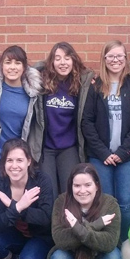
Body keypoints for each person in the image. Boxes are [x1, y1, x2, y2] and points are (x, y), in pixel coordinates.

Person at [82, 40, 130, 243]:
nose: (115, 60)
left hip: (129, 157)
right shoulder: (95, 87)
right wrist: (104, 153)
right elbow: (87, 122)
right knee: (104, 204)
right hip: (100, 157)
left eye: (119, 56)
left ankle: (126, 246)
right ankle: (108, 247)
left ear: (125, 59)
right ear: (104, 59)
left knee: (125, 205)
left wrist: (122, 153)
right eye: (110, 56)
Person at [46, 163, 122, 259]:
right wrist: (96, 225)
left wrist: (78, 228)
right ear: (71, 186)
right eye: (77, 186)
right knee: (58, 257)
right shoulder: (61, 202)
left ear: (97, 185)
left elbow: (110, 242)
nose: (82, 191)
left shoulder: (110, 204)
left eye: (88, 185)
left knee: (114, 255)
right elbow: (60, 240)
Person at [37, 42, 94, 199]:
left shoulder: (82, 84)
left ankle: (69, 223)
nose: (63, 63)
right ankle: (51, 224)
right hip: (46, 148)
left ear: (74, 61)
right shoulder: (41, 82)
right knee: (49, 193)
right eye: (58, 58)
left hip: (69, 147)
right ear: (51, 62)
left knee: (70, 193)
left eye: (67, 58)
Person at [0, 45, 43, 181]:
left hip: (16, 159)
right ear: (1, 66)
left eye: (17, 63)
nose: (12, 67)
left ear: (24, 67)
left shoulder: (32, 93)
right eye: (8, 62)